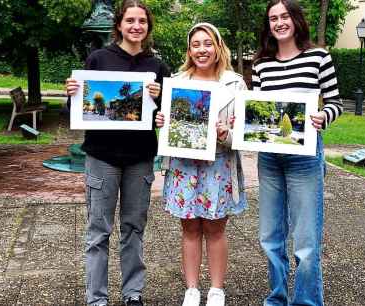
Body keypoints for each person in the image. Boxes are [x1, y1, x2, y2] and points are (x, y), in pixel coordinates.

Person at [66, 1, 170, 305]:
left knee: (134, 228)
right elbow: (75, 111)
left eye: (142, 21)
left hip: (140, 159)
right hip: (102, 157)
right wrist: (72, 94)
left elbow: (166, 116)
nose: (136, 26)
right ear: (119, 25)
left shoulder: (157, 67)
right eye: (130, 20)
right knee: (98, 231)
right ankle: (96, 298)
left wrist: (162, 98)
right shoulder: (97, 59)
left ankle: (132, 294)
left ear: (148, 27)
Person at [251, 1, 343, 305]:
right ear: (268, 24)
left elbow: (335, 103)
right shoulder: (261, 63)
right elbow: (257, 109)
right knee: (269, 237)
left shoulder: (319, 56)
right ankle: (276, 299)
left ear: (295, 19)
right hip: (269, 156)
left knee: (306, 241)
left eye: (284, 16)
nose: (279, 22)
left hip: (305, 156)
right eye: (273, 18)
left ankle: (306, 301)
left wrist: (322, 117)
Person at [155, 23, 248, 306]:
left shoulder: (235, 83)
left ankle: (217, 290)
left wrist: (227, 134)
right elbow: (171, 127)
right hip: (184, 167)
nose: (202, 50)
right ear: (189, 50)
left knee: (215, 229)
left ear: (218, 47)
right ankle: (192, 290)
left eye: (207, 43)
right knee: (190, 229)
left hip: (219, 166)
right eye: (196, 44)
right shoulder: (177, 81)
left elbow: (244, 134)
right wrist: (162, 123)